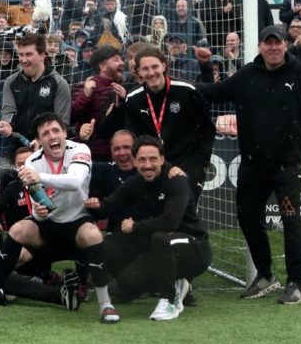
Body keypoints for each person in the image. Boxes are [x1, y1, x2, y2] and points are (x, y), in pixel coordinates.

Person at [196, 26, 301, 304]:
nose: (272, 48)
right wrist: (204, 66)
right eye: (267, 43)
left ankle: (295, 283)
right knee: (247, 218)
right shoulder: (246, 75)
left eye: (277, 43)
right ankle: (266, 276)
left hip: (289, 167)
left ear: (285, 45)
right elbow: (213, 93)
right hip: (253, 166)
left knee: (291, 221)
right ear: (259, 46)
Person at [0, 112, 120, 323]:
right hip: (48, 226)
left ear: (64, 133)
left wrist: (40, 177)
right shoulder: (33, 161)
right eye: (45, 133)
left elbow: (74, 181)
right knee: (17, 230)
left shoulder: (80, 149)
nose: (52, 136)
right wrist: (38, 212)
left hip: (76, 223)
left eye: (56, 130)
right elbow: (38, 204)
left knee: (93, 235)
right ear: (40, 140)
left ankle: (105, 304)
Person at [86, 136, 211, 320]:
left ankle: (169, 300)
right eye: (142, 160)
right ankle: (171, 282)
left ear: (162, 159)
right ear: (135, 161)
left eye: (153, 159)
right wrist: (93, 205)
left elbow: (171, 222)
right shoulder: (135, 183)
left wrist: (135, 226)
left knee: (160, 238)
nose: (148, 165)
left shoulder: (176, 180)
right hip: (160, 248)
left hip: (195, 247)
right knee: (112, 248)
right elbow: (108, 206)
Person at [120, 45, 215, 201]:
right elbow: (134, 137)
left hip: (187, 163)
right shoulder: (133, 99)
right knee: (157, 216)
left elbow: (207, 128)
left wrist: (199, 163)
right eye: (145, 69)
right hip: (153, 166)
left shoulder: (187, 90)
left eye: (155, 66)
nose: (151, 73)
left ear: (163, 65)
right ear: (138, 72)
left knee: (184, 213)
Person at [0, 33, 71, 156]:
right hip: (17, 147)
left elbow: (62, 123)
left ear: (42, 55)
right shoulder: (11, 82)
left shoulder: (59, 84)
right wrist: (6, 125)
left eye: (29, 54)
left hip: (46, 149)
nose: (23, 60)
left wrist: (41, 142)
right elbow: (8, 111)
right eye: (20, 55)